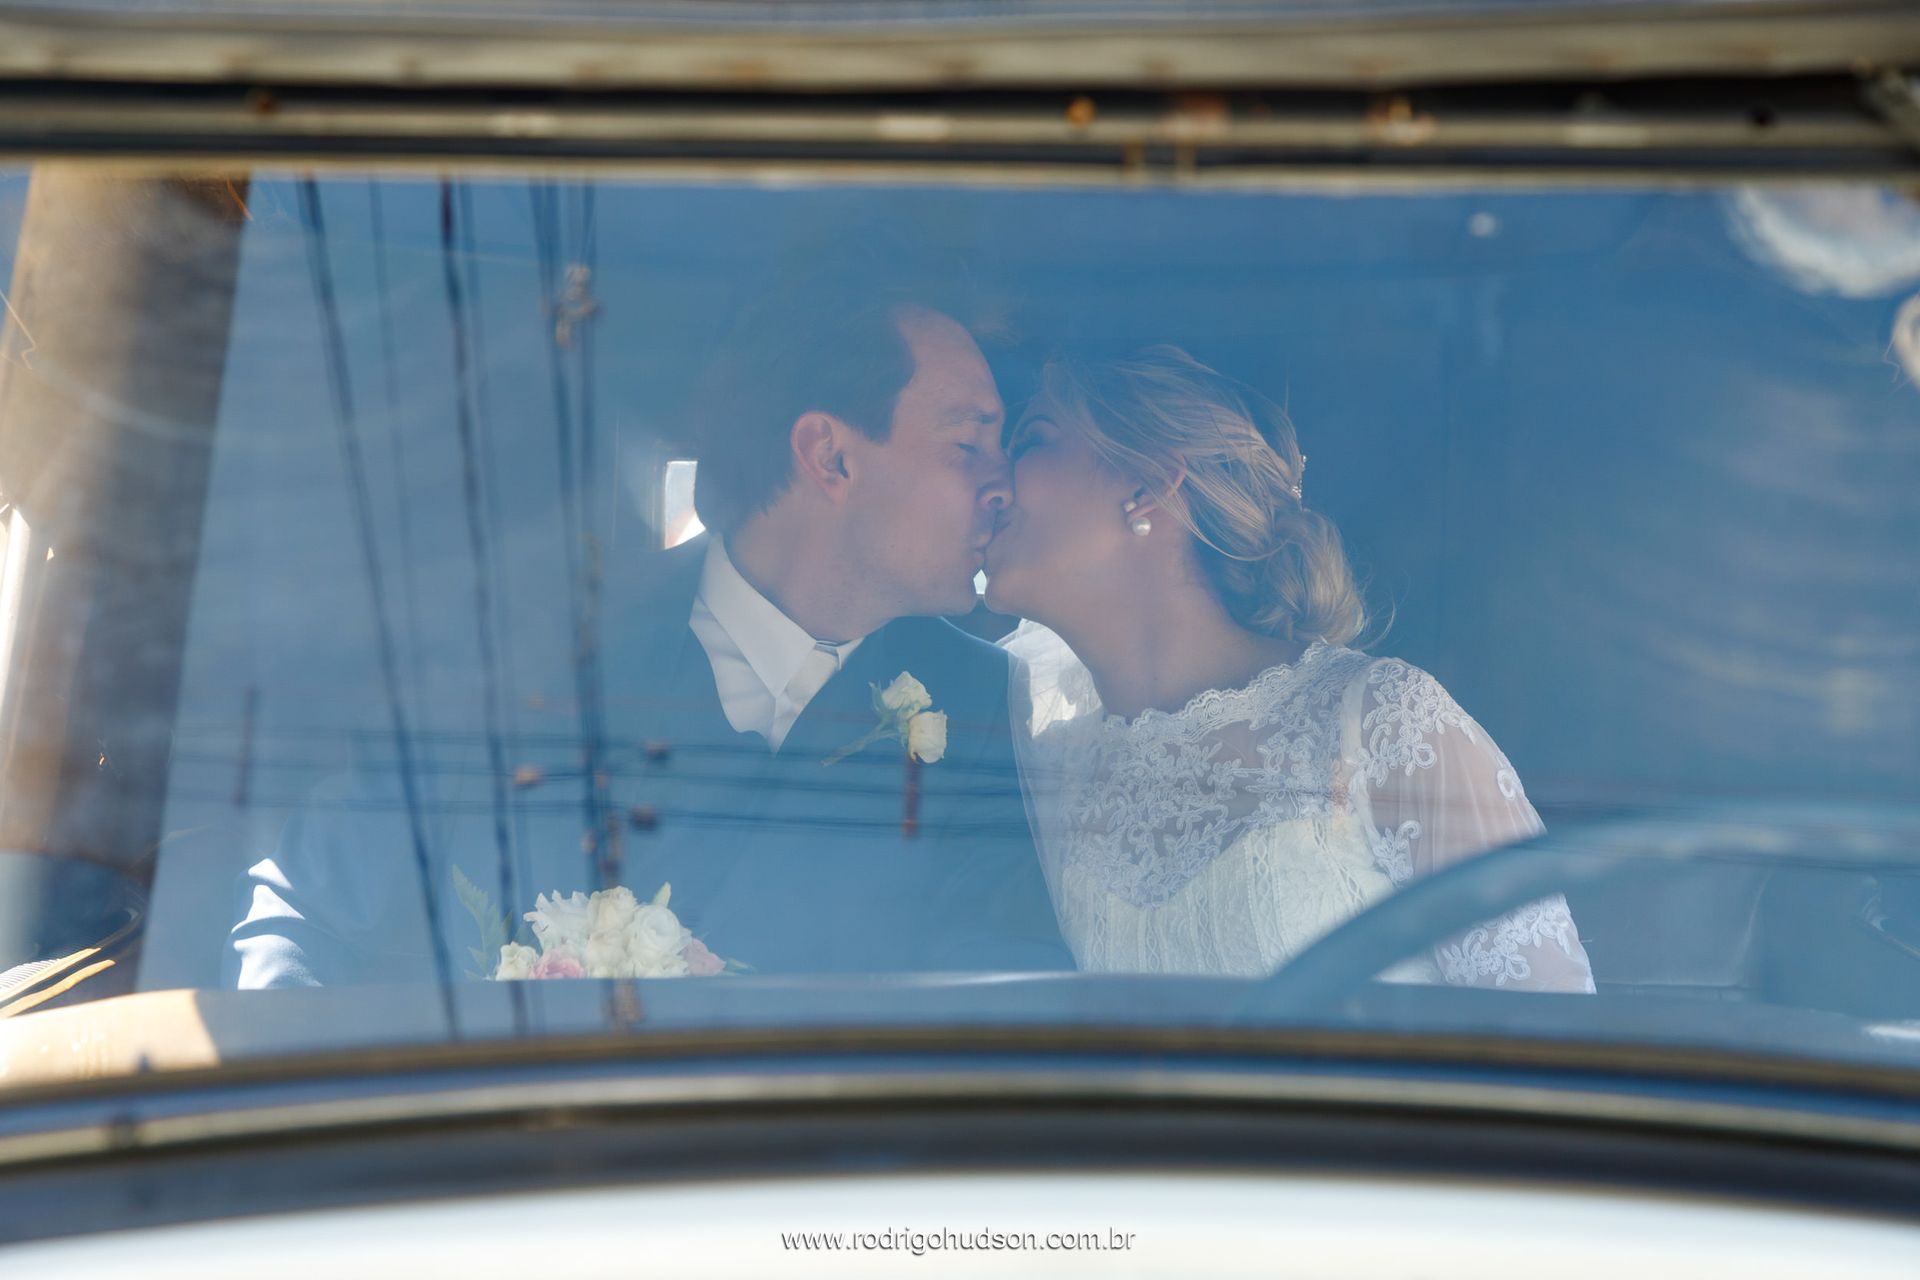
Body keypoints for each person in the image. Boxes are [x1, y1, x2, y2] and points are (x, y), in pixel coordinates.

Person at [226, 273, 1070, 986]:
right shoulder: (537, 642)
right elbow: (303, 908)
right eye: (969, 445)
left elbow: (1000, 994)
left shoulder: (984, 708)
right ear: (831, 456)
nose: (1005, 485)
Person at [985, 345, 1594, 989]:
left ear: (1147, 487)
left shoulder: (1383, 726)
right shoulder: (1047, 758)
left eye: (1031, 440)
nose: (993, 482)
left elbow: (1548, 1030)